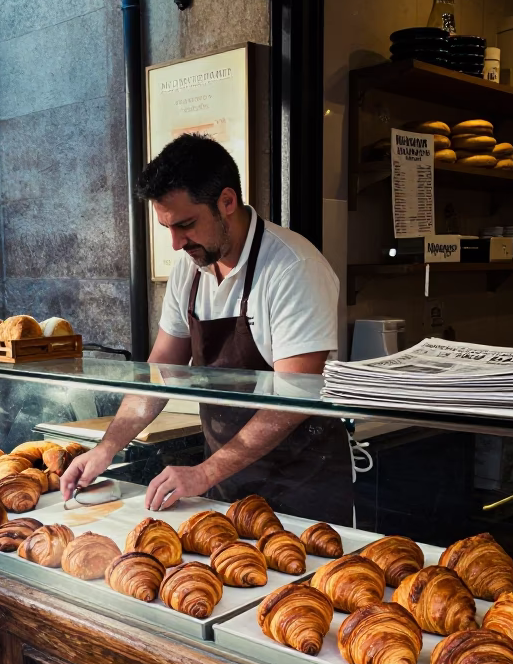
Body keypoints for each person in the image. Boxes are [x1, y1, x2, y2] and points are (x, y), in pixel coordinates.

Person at [61, 133, 352, 521]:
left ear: (227, 201)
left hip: (301, 488)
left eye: (186, 225)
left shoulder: (294, 268)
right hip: (226, 482)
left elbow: (292, 400)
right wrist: (106, 447)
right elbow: (160, 372)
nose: (176, 243)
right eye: (167, 227)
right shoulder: (191, 268)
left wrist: (204, 472)